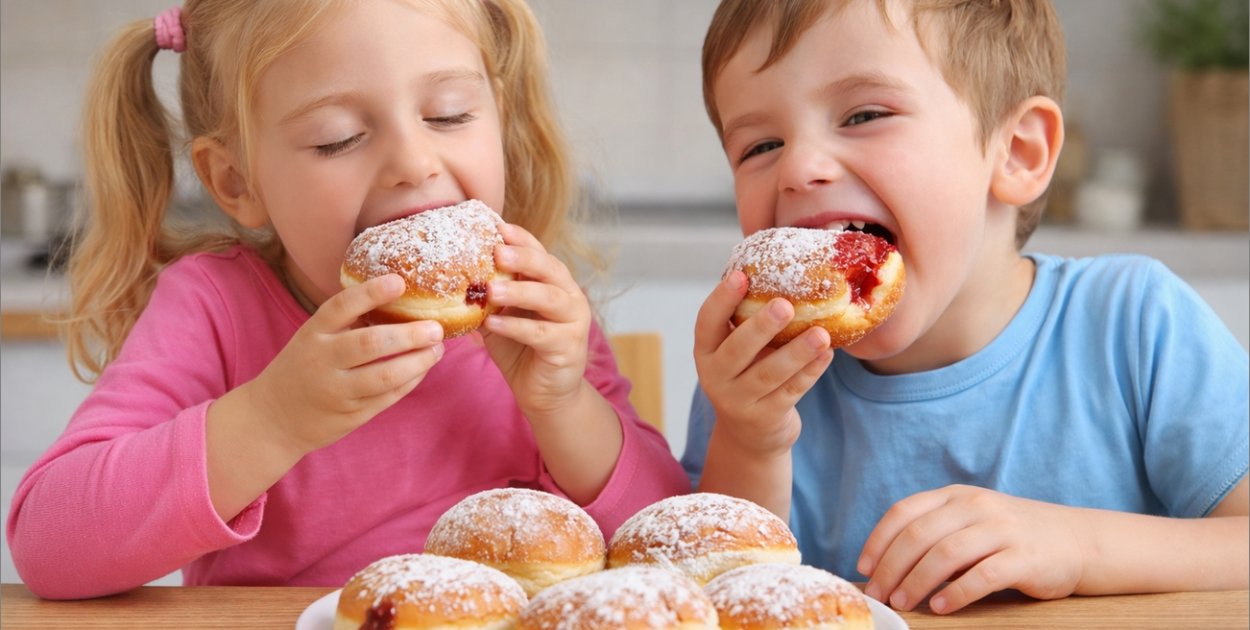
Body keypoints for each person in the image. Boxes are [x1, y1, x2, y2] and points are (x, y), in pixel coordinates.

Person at [6, 0, 689, 600]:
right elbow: (48, 543)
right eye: (339, 138)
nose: (414, 162)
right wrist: (273, 419)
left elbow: (670, 548)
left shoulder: (533, 305)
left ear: (498, 116)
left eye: (449, 116)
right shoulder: (212, 307)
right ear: (237, 179)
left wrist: (564, 406)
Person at [682, 0, 1248, 615]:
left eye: (865, 114)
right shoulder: (753, 377)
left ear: (1017, 153)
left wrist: (1080, 546)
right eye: (760, 145)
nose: (799, 167)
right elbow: (719, 596)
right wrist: (751, 440)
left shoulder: (1135, 324)